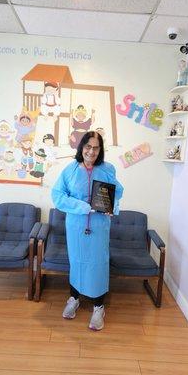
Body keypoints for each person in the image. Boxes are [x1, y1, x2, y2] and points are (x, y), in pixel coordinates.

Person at [51, 131, 123, 331]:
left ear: (100, 150)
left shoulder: (108, 169)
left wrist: (112, 207)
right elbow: (57, 195)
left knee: (98, 264)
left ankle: (99, 307)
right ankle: (73, 298)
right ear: (82, 147)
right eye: (88, 146)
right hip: (76, 226)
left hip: (99, 226)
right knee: (77, 261)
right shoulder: (70, 169)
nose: (91, 151)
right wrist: (80, 206)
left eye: (96, 147)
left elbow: (117, 193)